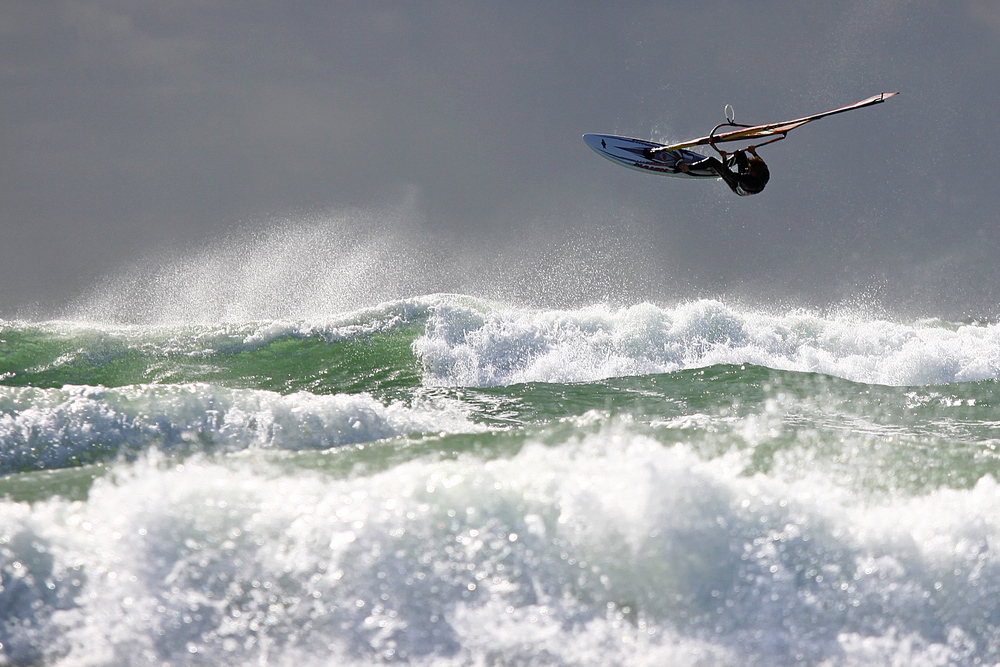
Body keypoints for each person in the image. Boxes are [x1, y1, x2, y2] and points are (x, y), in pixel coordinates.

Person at [679, 146, 770, 196]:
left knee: (712, 160)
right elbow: (760, 162)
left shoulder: (747, 179)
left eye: (749, 168)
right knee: (740, 154)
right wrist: (753, 152)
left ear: (753, 173)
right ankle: (721, 166)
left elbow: (728, 174)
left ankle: (687, 168)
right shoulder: (764, 171)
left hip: (738, 187)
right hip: (751, 180)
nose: (748, 167)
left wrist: (724, 158)